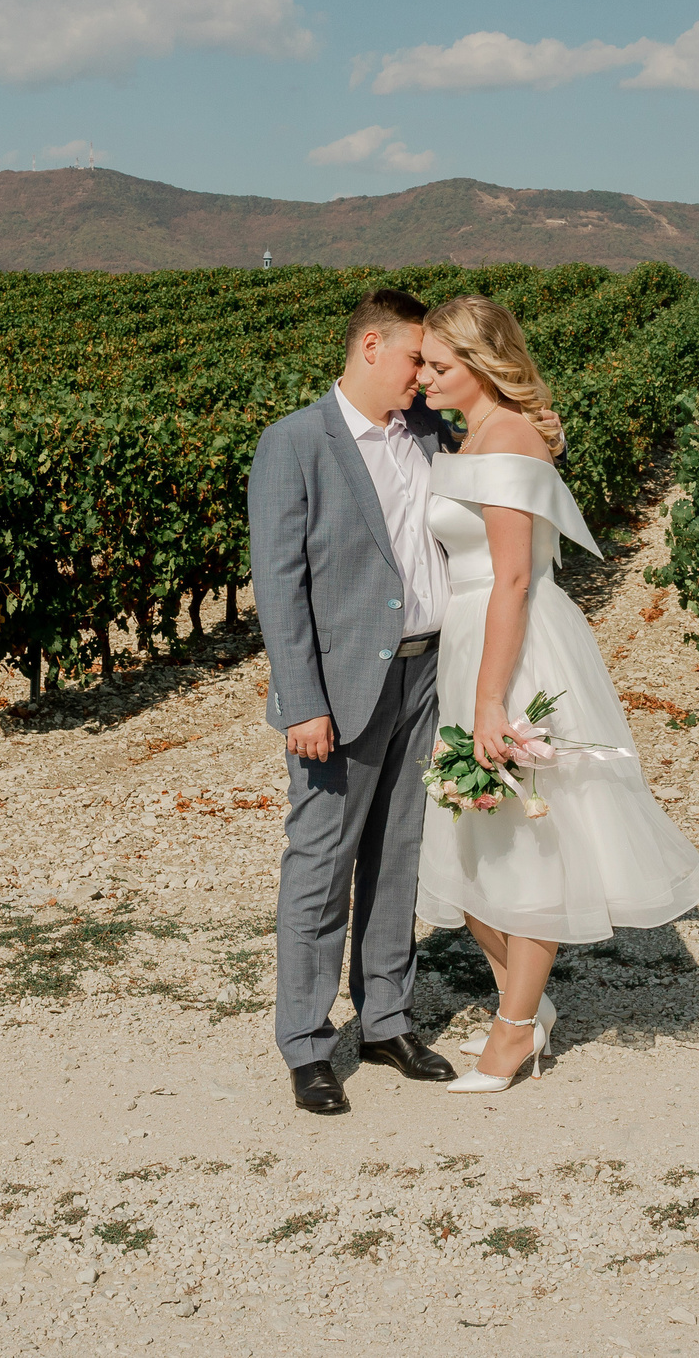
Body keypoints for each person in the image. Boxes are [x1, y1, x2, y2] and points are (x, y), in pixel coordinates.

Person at [413, 295, 699, 1094]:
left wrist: (488, 700)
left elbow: (512, 576)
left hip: (510, 645)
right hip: (468, 639)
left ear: (480, 364)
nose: (425, 377)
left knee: (523, 834)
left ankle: (514, 1030)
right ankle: (526, 1007)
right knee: (471, 831)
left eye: (439, 365)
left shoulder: (508, 437)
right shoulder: (470, 433)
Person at [249, 288, 461, 1115]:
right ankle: (306, 1042)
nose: (425, 376)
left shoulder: (432, 435)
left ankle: (386, 1018)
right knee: (321, 864)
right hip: (338, 691)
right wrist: (301, 699)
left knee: (399, 855)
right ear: (371, 346)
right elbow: (280, 582)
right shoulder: (295, 443)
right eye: (417, 358)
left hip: (426, 673)